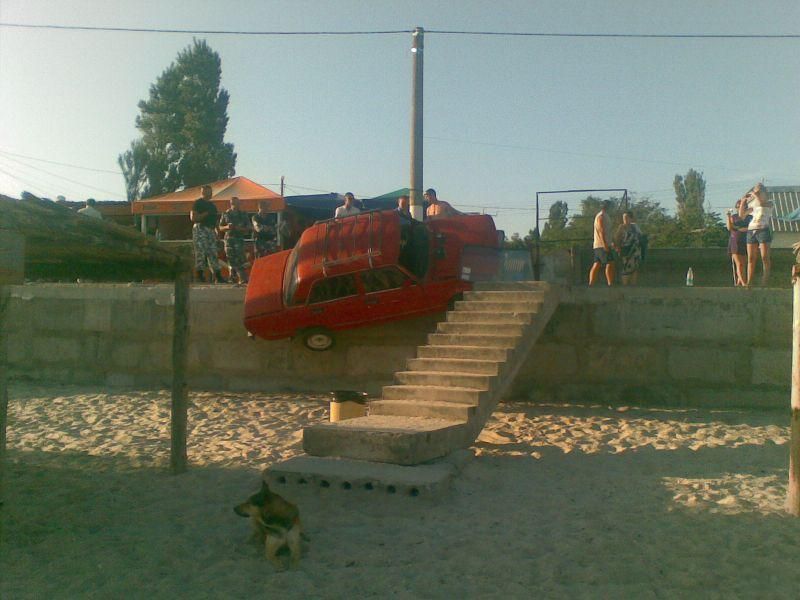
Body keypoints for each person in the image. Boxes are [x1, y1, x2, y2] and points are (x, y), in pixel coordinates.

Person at [190, 184, 226, 283]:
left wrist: (218, 233)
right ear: (203, 192)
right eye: (207, 192)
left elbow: (216, 221)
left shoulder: (212, 206)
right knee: (201, 252)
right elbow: (193, 218)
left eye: (210, 192)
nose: (209, 194)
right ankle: (199, 274)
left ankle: (217, 275)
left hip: (211, 230)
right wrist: (205, 214)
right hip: (200, 228)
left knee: (213, 252)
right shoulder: (198, 203)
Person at [739, 183, 773, 287]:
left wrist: (754, 194)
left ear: (764, 192)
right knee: (751, 258)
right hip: (751, 230)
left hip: (763, 229)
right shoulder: (753, 205)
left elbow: (761, 204)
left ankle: (765, 281)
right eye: (756, 191)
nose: (757, 193)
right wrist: (743, 202)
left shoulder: (769, 203)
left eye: (759, 191)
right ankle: (749, 281)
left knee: (764, 257)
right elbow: (742, 215)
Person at [219, 196, 251, 285]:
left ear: (239, 204)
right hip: (229, 240)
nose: (235, 205)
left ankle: (242, 278)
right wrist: (227, 227)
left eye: (237, 203)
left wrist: (240, 228)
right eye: (233, 203)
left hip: (239, 239)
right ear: (230, 203)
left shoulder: (243, 214)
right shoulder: (226, 214)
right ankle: (232, 278)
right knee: (230, 259)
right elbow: (220, 227)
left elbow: (249, 227)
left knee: (241, 259)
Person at [588, 200, 615, 286]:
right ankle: (610, 284)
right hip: (601, 245)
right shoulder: (601, 216)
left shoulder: (606, 216)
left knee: (597, 263)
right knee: (610, 263)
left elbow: (608, 231)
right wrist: (605, 244)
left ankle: (591, 284)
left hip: (603, 244)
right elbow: (601, 231)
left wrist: (612, 242)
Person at [614, 211, 644, 285]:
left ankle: (633, 285)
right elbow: (617, 238)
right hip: (626, 250)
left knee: (635, 268)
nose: (625, 219)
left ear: (631, 218)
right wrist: (618, 248)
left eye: (627, 217)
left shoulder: (635, 226)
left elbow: (640, 236)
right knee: (626, 268)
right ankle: (625, 285)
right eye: (624, 218)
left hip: (635, 250)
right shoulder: (621, 227)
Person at [726, 199, 752, 286]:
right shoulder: (734, 217)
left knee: (744, 264)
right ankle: (744, 283)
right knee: (739, 264)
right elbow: (730, 228)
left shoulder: (750, 217)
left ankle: (739, 282)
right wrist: (728, 216)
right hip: (735, 241)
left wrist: (746, 229)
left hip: (746, 241)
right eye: (738, 207)